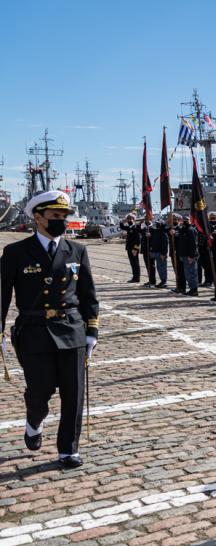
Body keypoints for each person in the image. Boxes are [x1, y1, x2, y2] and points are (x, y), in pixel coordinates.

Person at [0, 191, 99, 469]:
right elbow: (2, 292)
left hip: (71, 328)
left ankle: (68, 450)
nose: (61, 221)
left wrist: (92, 331)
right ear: (38, 217)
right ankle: (34, 421)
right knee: (40, 390)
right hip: (34, 330)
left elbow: (88, 294)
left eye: (64, 216)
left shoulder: (77, 250)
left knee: (73, 392)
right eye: (55, 216)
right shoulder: (15, 252)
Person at [173, 215, 200, 296]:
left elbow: (193, 244)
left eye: (186, 220)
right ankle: (191, 288)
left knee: (192, 273)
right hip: (184, 255)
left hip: (189, 256)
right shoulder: (182, 230)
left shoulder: (191, 230)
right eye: (183, 220)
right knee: (187, 273)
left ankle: (194, 290)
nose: (184, 222)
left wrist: (191, 256)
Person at [119, 214, 141, 282]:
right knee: (132, 263)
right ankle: (134, 277)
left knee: (135, 263)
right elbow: (121, 226)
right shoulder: (129, 227)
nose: (129, 220)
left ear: (134, 219)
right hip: (129, 248)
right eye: (128, 219)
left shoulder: (136, 227)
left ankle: (137, 278)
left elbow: (138, 240)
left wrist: (135, 249)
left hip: (134, 249)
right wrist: (124, 220)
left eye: (130, 218)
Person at [149, 217, 169, 289]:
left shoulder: (163, 233)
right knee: (159, 268)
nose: (156, 225)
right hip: (156, 252)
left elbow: (165, 244)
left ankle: (164, 281)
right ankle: (162, 281)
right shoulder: (156, 231)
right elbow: (150, 230)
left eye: (158, 224)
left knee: (162, 268)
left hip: (161, 253)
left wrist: (164, 253)